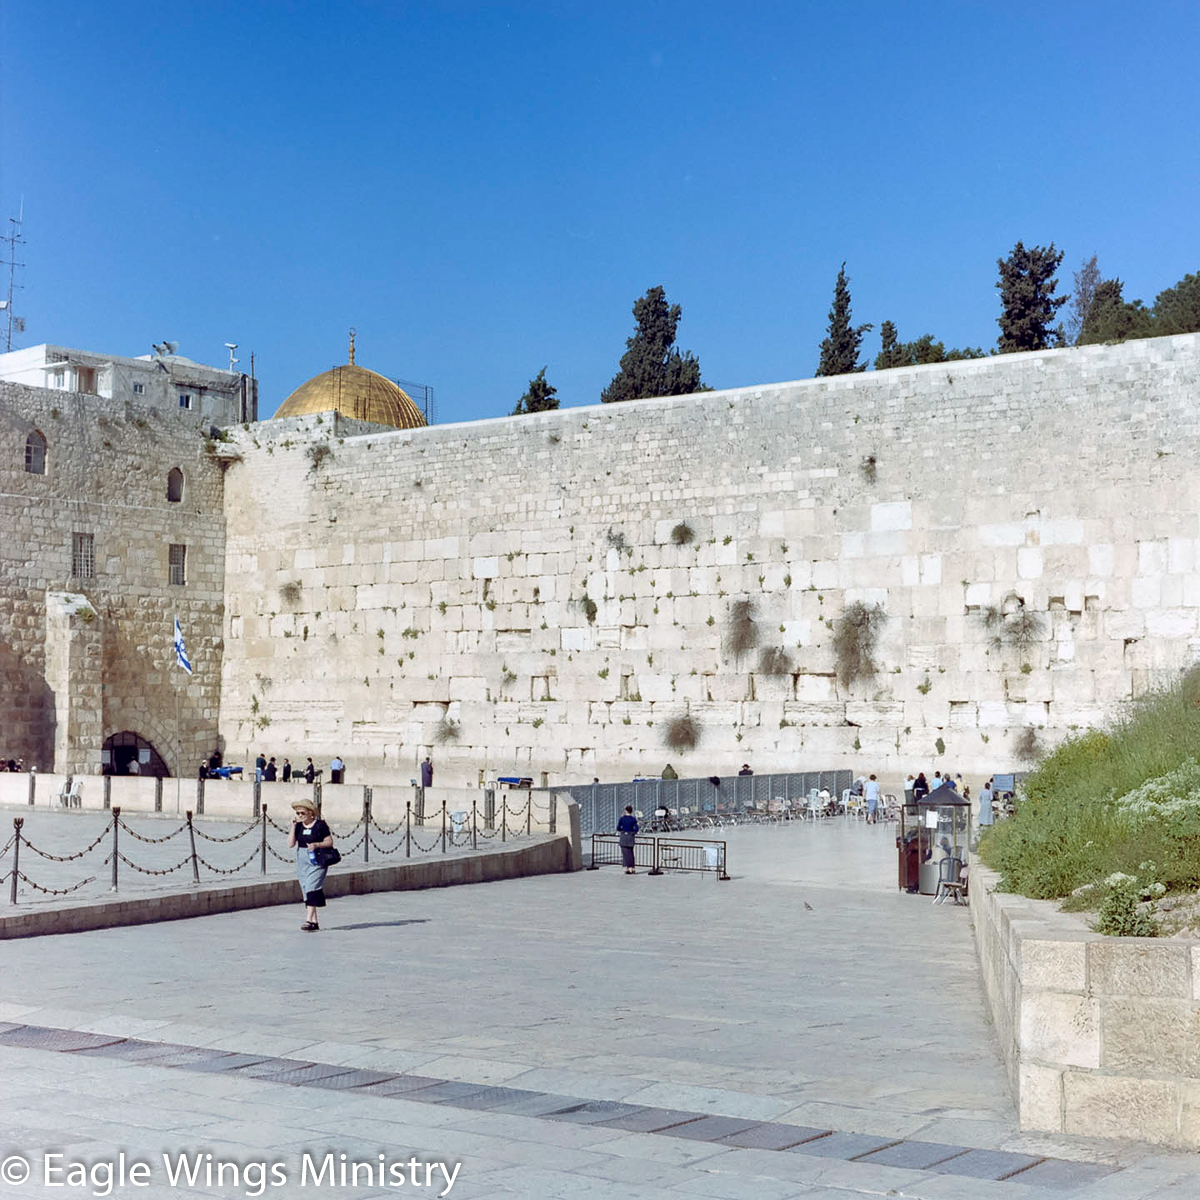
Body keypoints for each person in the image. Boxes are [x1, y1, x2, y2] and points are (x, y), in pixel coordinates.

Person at [287, 799, 334, 931]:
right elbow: (290, 844)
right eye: (297, 813)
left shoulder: (320, 825)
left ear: (311, 813)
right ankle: (314, 922)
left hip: (317, 859)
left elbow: (329, 842)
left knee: (311, 887)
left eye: (302, 813)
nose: (300, 815)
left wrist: (316, 845)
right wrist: (293, 826)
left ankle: (308, 920)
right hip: (302, 859)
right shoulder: (299, 826)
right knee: (305, 888)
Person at [616, 805, 639, 874]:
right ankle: (632, 868)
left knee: (625, 853)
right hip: (630, 836)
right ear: (631, 811)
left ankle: (627, 867)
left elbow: (618, 828)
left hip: (623, 836)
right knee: (630, 853)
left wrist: (622, 830)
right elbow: (636, 828)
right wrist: (633, 833)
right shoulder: (633, 819)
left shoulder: (622, 819)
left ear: (625, 811)